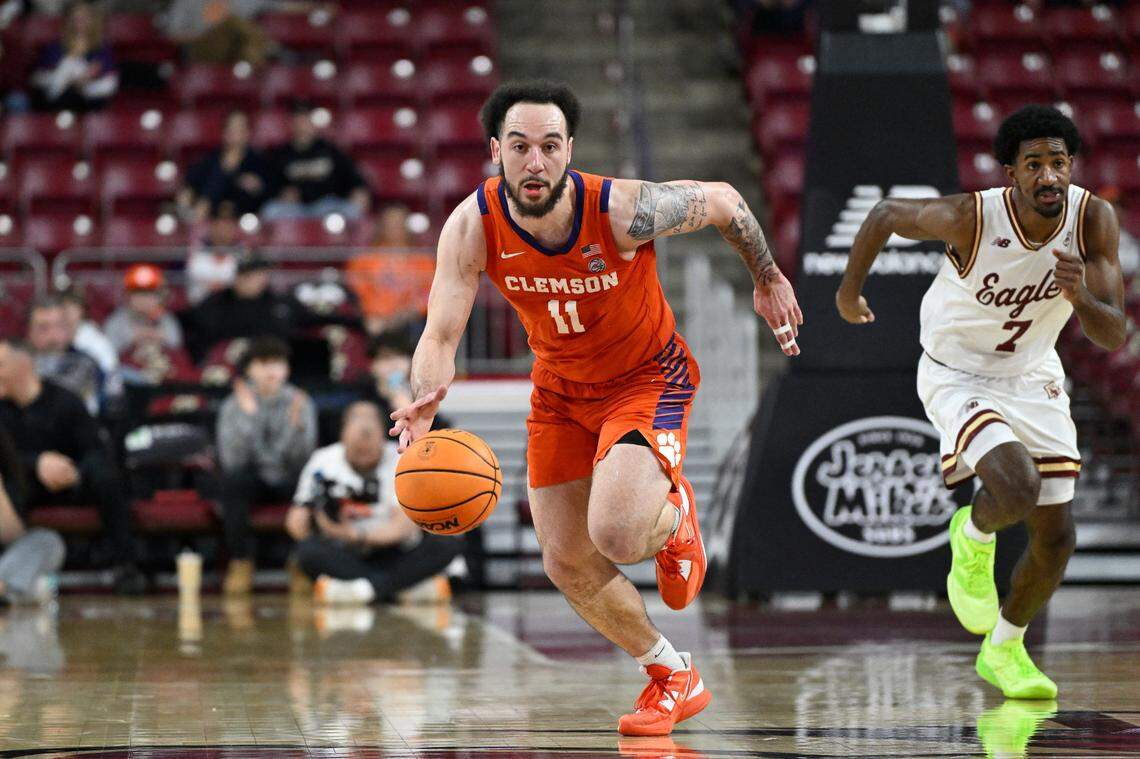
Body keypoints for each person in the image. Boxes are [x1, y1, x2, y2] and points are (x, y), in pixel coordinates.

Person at [388, 81, 802, 737]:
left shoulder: (618, 210)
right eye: (520, 146)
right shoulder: (472, 226)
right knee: (566, 559)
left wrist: (767, 275)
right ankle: (672, 674)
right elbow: (439, 335)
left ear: (569, 150)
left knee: (615, 532)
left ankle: (673, 516)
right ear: (496, 150)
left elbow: (724, 201)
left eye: (550, 147)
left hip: (646, 377)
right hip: (559, 390)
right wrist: (423, 399)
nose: (535, 162)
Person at [836, 105, 1127, 700]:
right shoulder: (973, 216)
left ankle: (1005, 649)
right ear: (1011, 173)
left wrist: (1077, 297)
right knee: (1015, 489)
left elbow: (1115, 334)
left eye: (1060, 163)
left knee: (1058, 537)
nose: (1050, 176)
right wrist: (847, 294)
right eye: (1035, 164)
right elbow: (887, 214)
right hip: (957, 372)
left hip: (1033, 374)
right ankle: (972, 536)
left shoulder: (1093, 219)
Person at [0, 338, 144, 594]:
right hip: (25, 484)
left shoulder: (65, 401)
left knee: (105, 476)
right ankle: (11, 570)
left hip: (72, 480)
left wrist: (70, 469)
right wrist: (38, 463)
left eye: (1, 365)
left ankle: (127, 565)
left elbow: (95, 451)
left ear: (25, 364)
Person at [287, 402, 458, 604]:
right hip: (345, 554)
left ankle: (363, 590)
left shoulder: (403, 459)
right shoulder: (323, 461)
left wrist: (355, 535)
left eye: (369, 450)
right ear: (343, 435)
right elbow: (295, 521)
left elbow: (403, 527)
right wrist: (321, 526)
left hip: (395, 550)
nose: (363, 454)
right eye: (357, 450)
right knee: (307, 551)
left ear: (383, 438)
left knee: (447, 542)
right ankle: (400, 587)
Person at [216, 336, 317, 595]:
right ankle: (240, 561)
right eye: (263, 363)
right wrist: (251, 419)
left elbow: (303, 459)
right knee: (232, 482)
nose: (272, 370)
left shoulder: (300, 402)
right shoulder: (232, 405)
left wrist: (294, 432)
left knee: (314, 481)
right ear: (249, 369)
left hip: (290, 476)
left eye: (278, 363)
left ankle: (301, 563)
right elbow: (233, 461)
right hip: (253, 478)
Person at [185, 249, 308, 361]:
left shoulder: (281, 303)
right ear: (239, 276)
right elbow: (198, 341)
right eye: (256, 274)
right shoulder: (214, 304)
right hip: (224, 370)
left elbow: (307, 319)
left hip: (273, 369)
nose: (263, 279)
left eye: (265, 273)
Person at [261, 102, 371, 221]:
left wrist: (359, 190)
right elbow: (269, 185)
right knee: (270, 211)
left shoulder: (330, 151)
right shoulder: (280, 154)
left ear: (313, 123)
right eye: (298, 120)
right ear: (291, 124)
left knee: (351, 211)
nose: (302, 125)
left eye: (305, 120)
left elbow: (353, 178)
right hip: (294, 209)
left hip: (327, 207)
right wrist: (281, 194)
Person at [346, 205, 435, 336]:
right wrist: (375, 315)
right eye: (390, 224)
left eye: (399, 223)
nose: (395, 228)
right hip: (376, 320)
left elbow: (431, 293)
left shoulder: (423, 259)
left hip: (412, 320)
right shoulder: (364, 259)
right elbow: (358, 293)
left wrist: (411, 311)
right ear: (381, 226)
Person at [0, 429, 65, 605]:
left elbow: (12, 536)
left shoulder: (11, 474)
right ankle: (18, 591)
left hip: (6, 562)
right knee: (38, 588)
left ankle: (9, 588)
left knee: (47, 541)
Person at [179, 111, 272, 222]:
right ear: (224, 132)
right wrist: (185, 202)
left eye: (239, 128)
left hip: (246, 221)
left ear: (248, 132)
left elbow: (270, 193)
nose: (234, 133)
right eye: (231, 128)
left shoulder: (259, 162)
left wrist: (258, 188)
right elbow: (189, 186)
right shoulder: (210, 161)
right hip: (209, 220)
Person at [29, 0, 117, 112]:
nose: (79, 21)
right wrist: (67, 75)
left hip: (91, 102)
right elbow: (37, 79)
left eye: (84, 17)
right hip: (59, 102)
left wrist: (86, 80)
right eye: (75, 17)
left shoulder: (101, 48)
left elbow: (110, 82)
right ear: (67, 21)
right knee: (68, 65)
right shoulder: (55, 47)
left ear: (93, 20)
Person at [26, 296, 106, 417]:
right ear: (29, 331)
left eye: (59, 326)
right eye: (43, 327)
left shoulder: (86, 364)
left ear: (69, 330)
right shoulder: (17, 364)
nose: (52, 335)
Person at [103, 264, 184, 355]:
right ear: (128, 296)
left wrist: (154, 335)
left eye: (149, 293)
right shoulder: (117, 320)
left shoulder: (165, 318)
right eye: (138, 293)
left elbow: (176, 343)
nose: (144, 299)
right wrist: (131, 338)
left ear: (159, 297)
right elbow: (107, 351)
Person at [186, 200, 244, 306]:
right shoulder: (198, 251)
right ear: (212, 226)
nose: (223, 230)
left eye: (228, 225)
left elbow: (243, 283)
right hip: (201, 305)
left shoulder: (241, 253)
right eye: (220, 224)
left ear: (234, 228)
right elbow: (196, 276)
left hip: (234, 307)